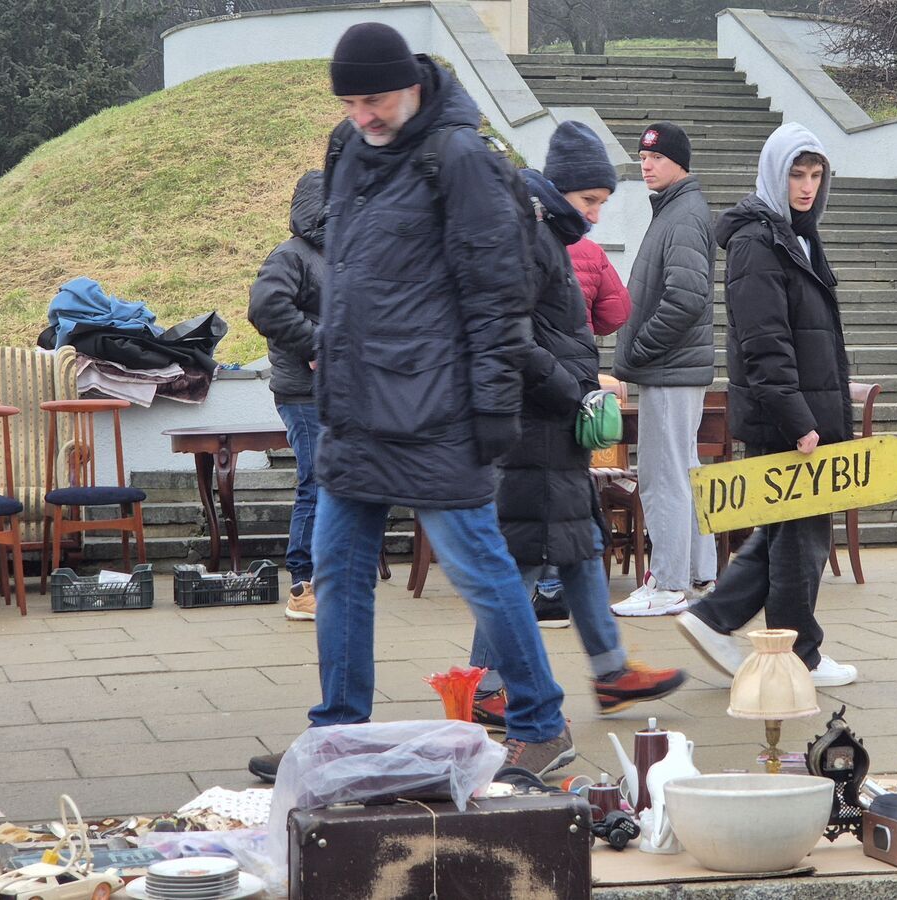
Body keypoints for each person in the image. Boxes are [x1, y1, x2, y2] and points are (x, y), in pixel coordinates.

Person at [247, 22, 572, 783]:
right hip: (358, 406)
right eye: (352, 101)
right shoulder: (352, 148)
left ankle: (540, 721)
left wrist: (495, 402)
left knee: (479, 567)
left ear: (414, 84)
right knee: (335, 566)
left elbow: (499, 295)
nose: (364, 114)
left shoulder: (460, 158)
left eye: (376, 98)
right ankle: (337, 733)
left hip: (436, 408)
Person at [469, 122, 685, 727]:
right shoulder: (530, 238)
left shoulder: (550, 237)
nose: (594, 216)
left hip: (553, 426)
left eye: (602, 205)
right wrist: (575, 393)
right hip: (533, 425)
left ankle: (612, 673)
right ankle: (486, 687)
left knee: (583, 549)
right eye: (589, 201)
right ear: (558, 189)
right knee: (521, 559)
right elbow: (512, 338)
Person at [676, 122, 859, 688]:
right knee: (801, 539)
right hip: (787, 418)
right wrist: (800, 420)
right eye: (796, 174)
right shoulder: (761, 240)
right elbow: (764, 342)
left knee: (786, 533)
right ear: (775, 174)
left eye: (815, 174)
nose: (806, 186)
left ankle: (714, 617)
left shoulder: (797, 234)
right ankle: (795, 655)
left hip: (802, 411)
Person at [609, 121, 717, 617]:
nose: (646, 164)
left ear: (680, 162)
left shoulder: (683, 215)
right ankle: (697, 574)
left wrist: (641, 349)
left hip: (669, 370)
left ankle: (669, 584)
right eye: (643, 156)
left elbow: (687, 297)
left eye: (655, 157)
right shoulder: (678, 210)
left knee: (662, 475)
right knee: (684, 471)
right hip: (674, 370)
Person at [532, 186, 633, 630]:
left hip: (550, 383)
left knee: (556, 505)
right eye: (590, 201)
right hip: (567, 380)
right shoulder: (585, 251)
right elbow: (618, 310)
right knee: (568, 502)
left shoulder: (529, 243)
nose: (594, 213)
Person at [247, 170, 325, 621]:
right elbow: (266, 307)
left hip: (339, 392)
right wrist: (319, 345)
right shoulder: (290, 256)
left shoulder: (336, 256)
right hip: (304, 394)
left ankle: (325, 578)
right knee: (315, 482)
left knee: (335, 485)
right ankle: (301, 585)